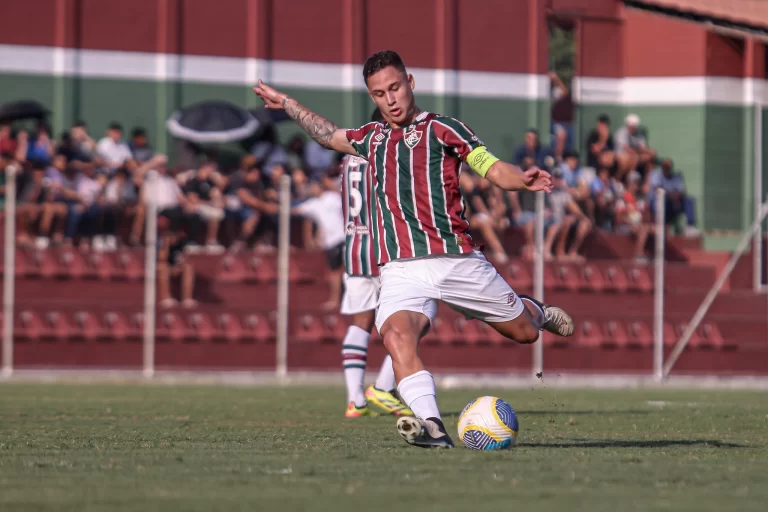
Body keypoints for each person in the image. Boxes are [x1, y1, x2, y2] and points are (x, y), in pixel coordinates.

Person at [254, 50, 574, 449]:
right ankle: (433, 426)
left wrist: (520, 180)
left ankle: (535, 311)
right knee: (395, 335)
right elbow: (326, 133)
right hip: (401, 268)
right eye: (378, 93)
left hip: (456, 259)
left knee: (525, 334)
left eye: (394, 87)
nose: (389, 99)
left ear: (410, 82)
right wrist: (287, 103)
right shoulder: (370, 140)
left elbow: (490, 166)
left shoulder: (444, 129)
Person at [337, 107, 414, 419]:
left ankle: (356, 400)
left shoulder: (347, 158)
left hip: (355, 248)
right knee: (418, 315)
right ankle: (382, 388)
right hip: (385, 250)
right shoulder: (383, 152)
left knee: (360, 324)